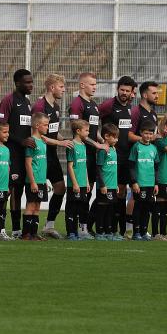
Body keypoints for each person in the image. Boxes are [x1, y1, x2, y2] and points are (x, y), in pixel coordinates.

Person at [33, 74, 74, 239]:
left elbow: (52, 132)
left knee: (60, 188)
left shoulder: (55, 107)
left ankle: (49, 226)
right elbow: (38, 135)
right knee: (35, 193)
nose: (64, 90)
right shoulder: (40, 106)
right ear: (52, 87)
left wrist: (64, 140)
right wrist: (60, 144)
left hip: (52, 155)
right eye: (61, 87)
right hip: (40, 156)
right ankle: (25, 230)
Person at [68, 72, 107, 238]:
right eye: (92, 84)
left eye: (95, 84)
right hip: (84, 153)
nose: (95, 87)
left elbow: (92, 130)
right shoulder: (77, 104)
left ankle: (84, 227)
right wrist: (96, 144)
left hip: (92, 152)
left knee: (88, 192)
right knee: (79, 195)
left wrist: (102, 140)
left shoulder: (94, 104)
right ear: (82, 85)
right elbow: (78, 130)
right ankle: (75, 229)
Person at [0, 69, 34, 239]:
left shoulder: (27, 102)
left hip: (24, 154)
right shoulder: (8, 100)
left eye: (31, 81)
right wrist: (20, 141)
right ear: (17, 83)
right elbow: (0, 128)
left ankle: (17, 229)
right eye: (27, 82)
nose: (31, 85)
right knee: (9, 190)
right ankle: (1, 228)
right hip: (11, 153)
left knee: (18, 190)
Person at [99, 75, 137, 237]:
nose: (124, 93)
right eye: (122, 89)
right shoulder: (108, 105)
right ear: (117, 89)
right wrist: (101, 142)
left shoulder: (130, 107)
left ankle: (120, 229)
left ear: (132, 93)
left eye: (127, 91)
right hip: (111, 156)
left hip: (126, 156)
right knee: (110, 193)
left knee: (122, 192)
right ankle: (107, 227)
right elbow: (92, 121)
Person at [128, 120, 159, 241]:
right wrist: (133, 182)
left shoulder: (153, 148)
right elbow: (131, 166)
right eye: (146, 133)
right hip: (139, 183)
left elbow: (156, 167)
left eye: (150, 134)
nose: (148, 136)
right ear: (141, 133)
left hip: (150, 184)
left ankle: (144, 231)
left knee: (147, 208)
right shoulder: (136, 147)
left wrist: (156, 183)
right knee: (138, 207)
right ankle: (136, 232)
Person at [23, 112, 50, 241]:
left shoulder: (43, 141)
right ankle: (26, 233)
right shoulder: (31, 142)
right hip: (33, 181)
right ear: (37, 125)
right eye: (45, 125)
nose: (47, 127)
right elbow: (28, 163)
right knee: (30, 206)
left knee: (38, 207)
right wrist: (32, 182)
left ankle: (34, 233)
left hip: (42, 180)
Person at [65, 119, 90, 241]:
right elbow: (70, 166)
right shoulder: (71, 145)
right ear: (78, 131)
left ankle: (78, 232)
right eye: (86, 130)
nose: (88, 133)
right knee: (72, 209)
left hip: (83, 183)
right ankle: (71, 232)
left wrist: (87, 181)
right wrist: (74, 183)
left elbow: (84, 165)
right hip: (74, 185)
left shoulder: (84, 145)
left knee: (81, 208)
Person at [95, 123, 120, 241]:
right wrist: (102, 185)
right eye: (114, 137)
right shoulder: (102, 151)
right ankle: (100, 232)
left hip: (112, 186)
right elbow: (99, 169)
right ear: (106, 136)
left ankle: (108, 231)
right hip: (104, 186)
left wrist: (115, 185)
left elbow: (113, 170)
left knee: (110, 209)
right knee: (102, 209)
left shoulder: (114, 149)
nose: (116, 139)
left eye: (117, 137)